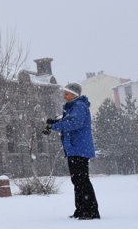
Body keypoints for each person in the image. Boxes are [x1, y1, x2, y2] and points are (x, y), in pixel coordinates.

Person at [43, 82, 100, 220]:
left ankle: (90, 212)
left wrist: (54, 127)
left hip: (79, 148)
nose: (64, 96)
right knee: (77, 180)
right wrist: (54, 122)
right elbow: (68, 120)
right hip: (74, 148)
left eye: (67, 93)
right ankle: (81, 210)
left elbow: (75, 123)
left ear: (74, 95)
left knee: (82, 180)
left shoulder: (79, 106)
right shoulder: (73, 107)